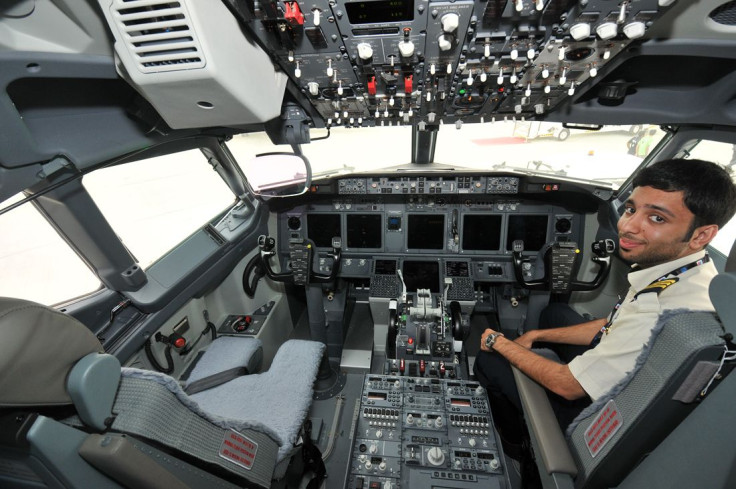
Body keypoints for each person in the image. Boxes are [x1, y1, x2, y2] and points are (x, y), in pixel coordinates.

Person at [474, 158, 736, 485]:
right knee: (552, 314)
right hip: (634, 377)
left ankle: (520, 449)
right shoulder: (690, 274)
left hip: (607, 411)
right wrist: (537, 334)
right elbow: (611, 325)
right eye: (630, 209)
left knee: (488, 359)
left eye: (656, 218)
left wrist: (498, 342)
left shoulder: (663, 309)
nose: (628, 227)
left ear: (701, 235)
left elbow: (566, 386)